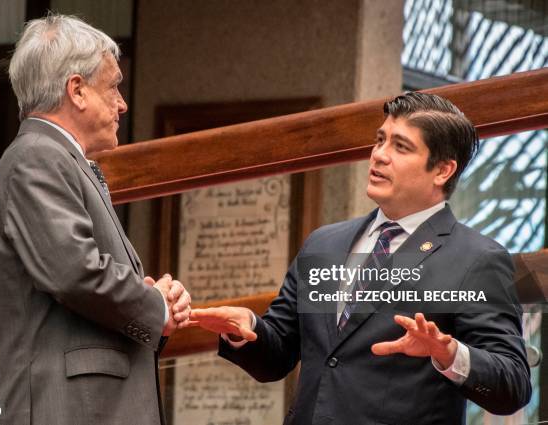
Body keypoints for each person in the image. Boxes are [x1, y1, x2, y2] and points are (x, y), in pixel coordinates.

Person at [189, 92, 531, 424]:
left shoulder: (479, 259)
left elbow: (513, 384)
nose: (379, 155)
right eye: (380, 140)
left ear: (442, 170)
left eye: (401, 147)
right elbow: (277, 355)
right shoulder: (324, 244)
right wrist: (246, 328)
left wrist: (450, 353)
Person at [0, 14, 190, 425]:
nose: (123, 103)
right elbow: (75, 271)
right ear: (76, 90)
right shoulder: (37, 158)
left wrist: (145, 295)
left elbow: (74, 271)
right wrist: (155, 306)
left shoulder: (52, 157)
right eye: (113, 86)